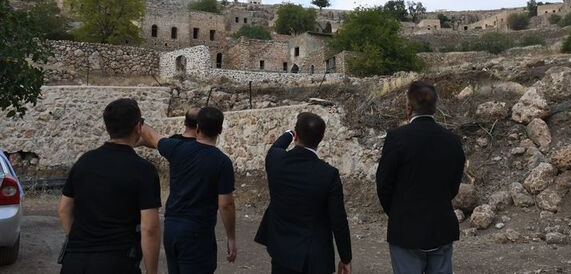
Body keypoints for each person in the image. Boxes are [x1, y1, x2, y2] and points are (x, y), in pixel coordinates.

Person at [57, 98, 161, 274]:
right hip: (116, 261)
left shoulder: (84, 161)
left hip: (74, 261)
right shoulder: (143, 170)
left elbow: (64, 209)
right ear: (138, 127)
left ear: (108, 128)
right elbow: (149, 228)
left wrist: (78, 243)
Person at [376, 81, 466, 274]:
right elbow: (454, 185)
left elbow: (383, 184)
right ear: (435, 107)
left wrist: (398, 212)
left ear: (409, 107)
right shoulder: (452, 140)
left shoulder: (396, 138)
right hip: (441, 227)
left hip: (405, 230)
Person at [139, 106, 236, 273]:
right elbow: (226, 204)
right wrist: (231, 237)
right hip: (198, 232)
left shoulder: (176, 148)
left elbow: (152, 136)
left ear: (197, 128)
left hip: (172, 228)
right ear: (220, 130)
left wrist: (138, 121)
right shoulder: (222, 162)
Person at [255, 112, 352, 274]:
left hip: (281, 252)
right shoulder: (328, 174)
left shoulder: (276, 160)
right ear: (321, 138)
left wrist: (289, 133)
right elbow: (338, 220)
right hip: (314, 256)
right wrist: (346, 257)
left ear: (297, 135)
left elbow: (276, 147)